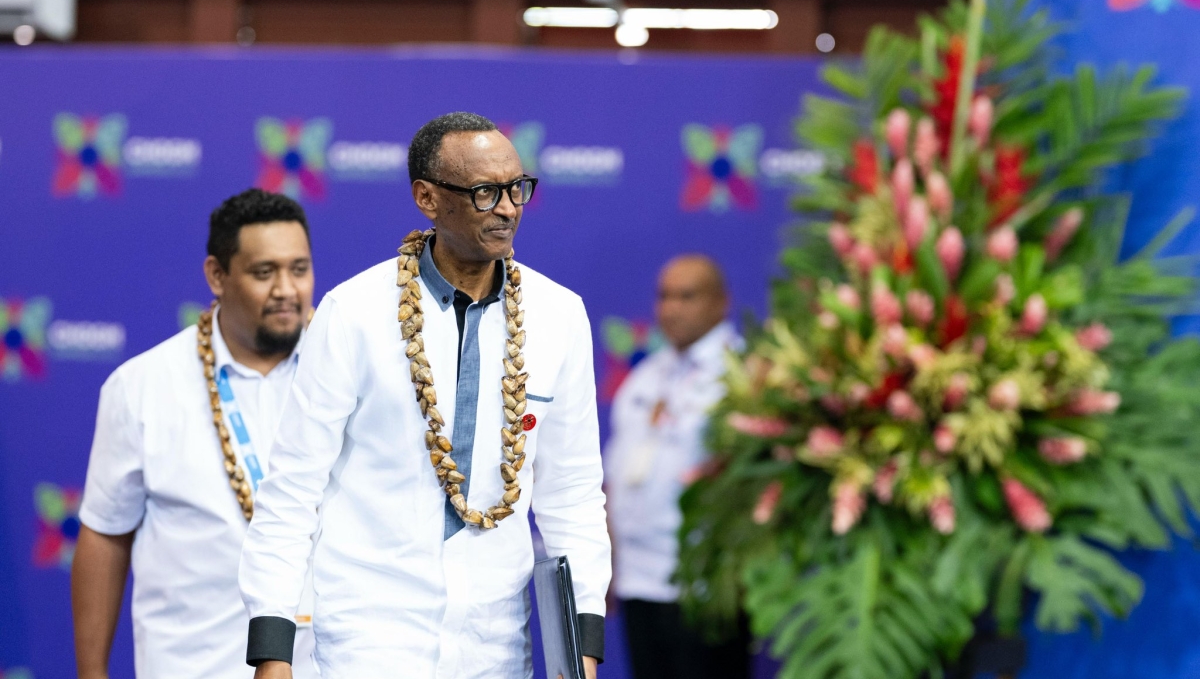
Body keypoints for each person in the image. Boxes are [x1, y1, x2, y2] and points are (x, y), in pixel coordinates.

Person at [239, 112, 610, 679]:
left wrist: (579, 643)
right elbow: (292, 490)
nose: (508, 208)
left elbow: (574, 495)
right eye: (485, 192)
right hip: (370, 638)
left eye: (517, 188)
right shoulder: (353, 312)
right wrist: (272, 650)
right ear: (427, 198)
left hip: (496, 643)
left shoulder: (559, 315)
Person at [71, 189, 319, 679]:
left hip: (331, 664)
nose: (287, 289)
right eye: (264, 272)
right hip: (196, 664)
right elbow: (105, 534)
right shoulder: (141, 386)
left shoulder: (349, 373)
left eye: (299, 268)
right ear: (216, 276)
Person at [603, 254, 750, 679]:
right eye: (664, 296)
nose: (671, 308)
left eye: (687, 296)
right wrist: (610, 562)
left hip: (705, 586)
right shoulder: (645, 376)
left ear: (722, 303)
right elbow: (614, 477)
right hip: (638, 580)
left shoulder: (744, 377)